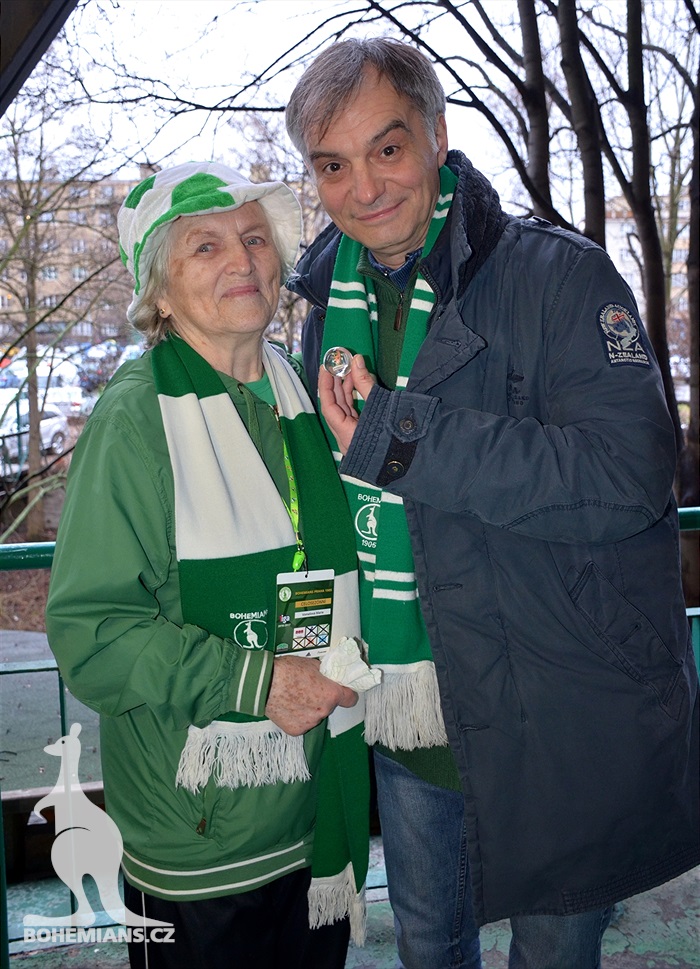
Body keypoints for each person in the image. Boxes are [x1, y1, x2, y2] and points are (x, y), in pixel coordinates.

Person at [284, 38, 699, 969]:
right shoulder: (322, 303)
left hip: (550, 708)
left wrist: (400, 438)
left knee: (554, 952)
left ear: (435, 136)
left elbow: (627, 474)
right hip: (411, 717)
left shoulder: (562, 277)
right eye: (334, 166)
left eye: (386, 149)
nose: (364, 188)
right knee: (430, 947)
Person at [45, 161, 374, 969]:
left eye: (256, 238)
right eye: (206, 245)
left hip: (311, 815)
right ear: (157, 293)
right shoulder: (135, 418)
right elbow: (93, 634)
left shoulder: (294, 395)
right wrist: (258, 683)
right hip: (199, 849)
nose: (245, 259)